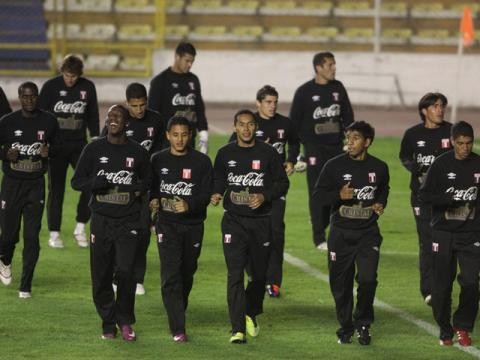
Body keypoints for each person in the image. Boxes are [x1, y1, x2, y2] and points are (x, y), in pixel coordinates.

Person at [71, 105, 151, 341]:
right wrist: (94, 183)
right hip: (101, 222)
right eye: (110, 116)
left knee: (126, 273)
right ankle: (108, 321)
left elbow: (148, 180)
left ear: (126, 123)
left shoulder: (137, 152)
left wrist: (135, 189)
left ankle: (125, 320)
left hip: (128, 222)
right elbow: (76, 181)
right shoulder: (94, 148)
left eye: (118, 116)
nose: (113, 119)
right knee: (101, 276)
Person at [211, 109, 289, 344]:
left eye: (250, 124)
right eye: (241, 125)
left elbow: (282, 183)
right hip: (233, 222)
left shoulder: (268, 153)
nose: (246, 129)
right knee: (235, 274)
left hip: (261, 222)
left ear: (256, 127)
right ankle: (237, 329)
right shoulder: (225, 153)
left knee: (259, 275)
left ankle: (250, 311)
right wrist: (216, 192)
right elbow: (219, 178)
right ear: (235, 127)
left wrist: (265, 196)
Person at [314, 121, 389, 345]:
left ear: (368, 142)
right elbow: (318, 197)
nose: (350, 142)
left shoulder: (380, 167)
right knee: (340, 285)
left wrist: (380, 203)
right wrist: (339, 195)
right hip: (340, 235)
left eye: (355, 138)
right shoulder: (333, 166)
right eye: (348, 138)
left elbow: (383, 189)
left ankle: (363, 323)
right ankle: (346, 326)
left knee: (367, 279)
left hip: (368, 234)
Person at [229, 85, 299, 298]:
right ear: (258, 103)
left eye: (275, 102)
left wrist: (290, 160)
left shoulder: (285, 124)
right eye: (268, 102)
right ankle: (255, 273)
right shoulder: (250, 127)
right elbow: (231, 151)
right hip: (253, 189)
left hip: (276, 187)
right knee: (252, 235)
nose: (272, 106)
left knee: (276, 232)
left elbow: (295, 143)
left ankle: (274, 282)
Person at [150, 116, 213, 342]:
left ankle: (177, 308)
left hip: (193, 226)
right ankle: (178, 327)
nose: (179, 139)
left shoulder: (202, 162)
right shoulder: (157, 160)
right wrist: (153, 200)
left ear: (190, 136)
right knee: (171, 274)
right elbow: (150, 188)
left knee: (187, 272)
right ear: (167, 135)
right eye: (175, 134)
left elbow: (207, 193)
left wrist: (189, 205)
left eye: (184, 134)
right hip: (166, 225)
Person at [101, 82, 166, 295]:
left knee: (143, 234)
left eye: (142, 105)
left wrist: (156, 191)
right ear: (127, 103)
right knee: (116, 233)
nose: (139, 110)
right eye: (134, 106)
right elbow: (102, 150)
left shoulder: (156, 120)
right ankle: (115, 274)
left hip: (144, 186)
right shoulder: (118, 119)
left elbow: (159, 157)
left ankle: (137, 278)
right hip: (119, 185)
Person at [420, 121, 480, 347]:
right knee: (442, 284)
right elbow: (424, 196)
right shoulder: (440, 165)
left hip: (471, 234)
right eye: (460, 143)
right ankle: (445, 328)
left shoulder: (478, 164)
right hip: (443, 233)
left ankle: (463, 326)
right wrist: (448, 199)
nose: (464, 148)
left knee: (472, 282)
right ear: (452, 142)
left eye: (469, 143)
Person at [0, 82, 61, 298]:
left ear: (37, 98)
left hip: (35, 185)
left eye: (33, 97)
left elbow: (58, 147)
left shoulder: (49, 121)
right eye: (25, 97)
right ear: (19, 97)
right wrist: (5, 154)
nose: (29, 101)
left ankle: (25, 285)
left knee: (32, 236)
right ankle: (4, 259)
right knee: (8, 235)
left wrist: (49, 151)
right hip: (12, 185)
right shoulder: (7, 122)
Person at [290, 51, 354, 250]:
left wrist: (349, 140)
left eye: (334, 64)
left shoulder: (338, 88)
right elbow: (294, 124)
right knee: (317, 192)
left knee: (339, 190)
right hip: (314, 149)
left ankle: (325, 223)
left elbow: (348, 117)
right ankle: (319, 238)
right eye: (330, 65)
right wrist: (299, 153)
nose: (334, 68)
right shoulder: (304, 92)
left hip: (336, 148)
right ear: (318, 68)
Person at [38, 54, 99, 248]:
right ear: (61, 71)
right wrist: (42, 141)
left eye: (74, 76)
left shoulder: (88, 87)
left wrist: (96, 139)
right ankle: (54, 234)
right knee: (56, 190)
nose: (70, 79)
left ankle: (80, 228)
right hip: (56, 147)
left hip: (79, 145)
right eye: (67, 75)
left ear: (79, 74)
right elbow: (40, 116)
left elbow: (93, 114)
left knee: (90, 185)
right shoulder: (50, 87)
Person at [399, 92, 451, 305]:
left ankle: (447, 285)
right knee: (427, 242)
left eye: (442, 106)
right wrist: (414, 167)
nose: (440, 110)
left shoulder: (452, 131)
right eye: (435, 106)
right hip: (421, 198)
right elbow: (404, 156)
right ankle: (428, 290)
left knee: (450, 243)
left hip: (449, 198)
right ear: (424, 111)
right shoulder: (412, 134)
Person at [148, 42, 208, 154]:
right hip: (167, 142)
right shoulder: (160, 81)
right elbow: (152, 114)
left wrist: (204, 135)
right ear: (177, 57)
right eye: (187, 61)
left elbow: (199, 108)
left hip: (189, 140)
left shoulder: (193, 80)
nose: (190, 65)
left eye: (192, 61)